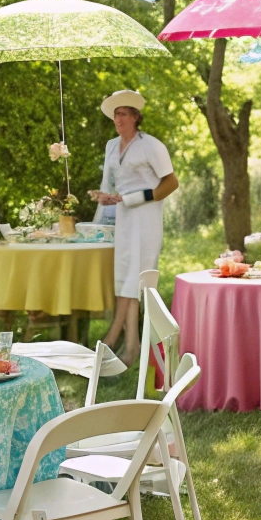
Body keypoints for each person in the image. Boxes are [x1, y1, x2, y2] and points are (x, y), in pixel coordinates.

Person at [90, 90, 178, 366]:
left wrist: (134, 198)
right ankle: (131, 347)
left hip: (146, 218)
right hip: (122, 219)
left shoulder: (151, 145)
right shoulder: (111, 146)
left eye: (124, 114)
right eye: (116, 114)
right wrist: (100, 207)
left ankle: (111, 340)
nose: (118, 119)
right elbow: (108, 186)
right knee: (123, 279)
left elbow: (170, 183)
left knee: (135, 279)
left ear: (135, 118)